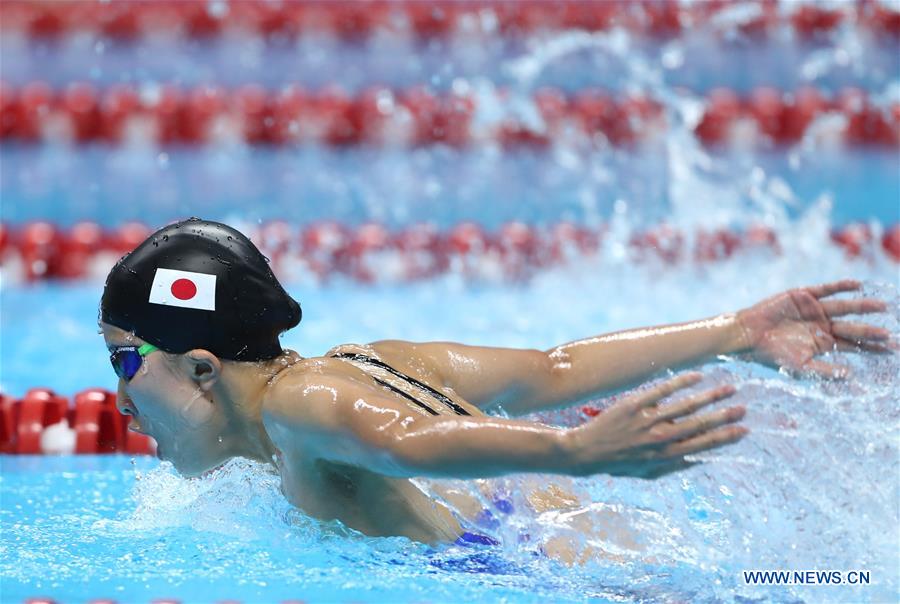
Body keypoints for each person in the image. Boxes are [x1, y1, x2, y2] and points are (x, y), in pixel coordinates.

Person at [100, 218, 891, 561]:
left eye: (125, 363)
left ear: (203, 366)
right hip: (589, 548)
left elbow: (408, 442)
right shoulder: (372, 359)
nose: (119, 402)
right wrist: (734, 332)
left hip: (585, 577)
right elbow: (551, 370)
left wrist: (574, 450)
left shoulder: (299, 405)